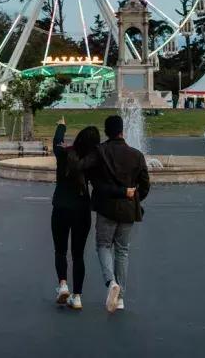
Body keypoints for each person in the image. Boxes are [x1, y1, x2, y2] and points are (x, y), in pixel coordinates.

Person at [82, 115, 151, 314]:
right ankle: (120, 298)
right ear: (122, 131)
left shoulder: (100, 151)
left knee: (103, 245)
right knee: (122, 250)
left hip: (106, 207)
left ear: (106, 131)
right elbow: (145, 185)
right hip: (128, 208)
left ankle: (111, 282)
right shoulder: (137, 155)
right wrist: (135, 199)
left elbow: (88, 172)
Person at [51, 117, 101, 310]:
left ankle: (63, 284)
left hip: (61, 206)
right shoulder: (92, 161)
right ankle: (77, 296)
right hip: (82, 209)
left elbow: (56, 142)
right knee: (78, 255)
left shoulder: (63, 154)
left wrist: (61, 126)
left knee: (60, 250)